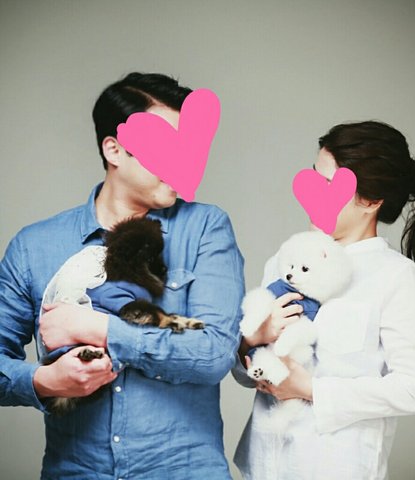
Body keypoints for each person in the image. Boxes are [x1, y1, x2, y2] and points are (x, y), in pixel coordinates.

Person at [0, 72, 245, 480]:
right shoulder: (33, 246)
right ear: (114, 149)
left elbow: (215, 353)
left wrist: (101, 329)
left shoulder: (205, 228)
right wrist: (45, 380)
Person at [233, 121, 415, 480]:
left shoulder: (396, 277)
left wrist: (311, 389)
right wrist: (251, 339)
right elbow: (244, 372)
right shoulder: (285, 259)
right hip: (262, 464)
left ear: (370, 201)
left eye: (327, 185)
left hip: (335, 468)